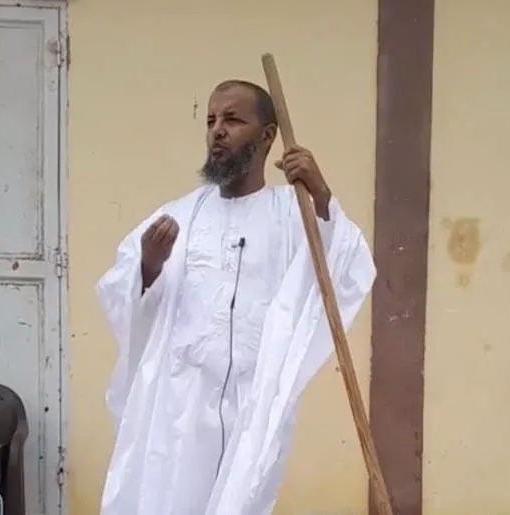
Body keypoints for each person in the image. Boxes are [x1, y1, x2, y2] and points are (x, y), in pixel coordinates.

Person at [96, 79, 376, 515]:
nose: (217, 131)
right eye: (210, 121)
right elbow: (121, 293)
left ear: (267, 136)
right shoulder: (179, 216)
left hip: (253, 403)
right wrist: (148, 266)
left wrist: (322, 195)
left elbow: (346, 265)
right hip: (179, 407)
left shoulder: (294, 213)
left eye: (232, 120)